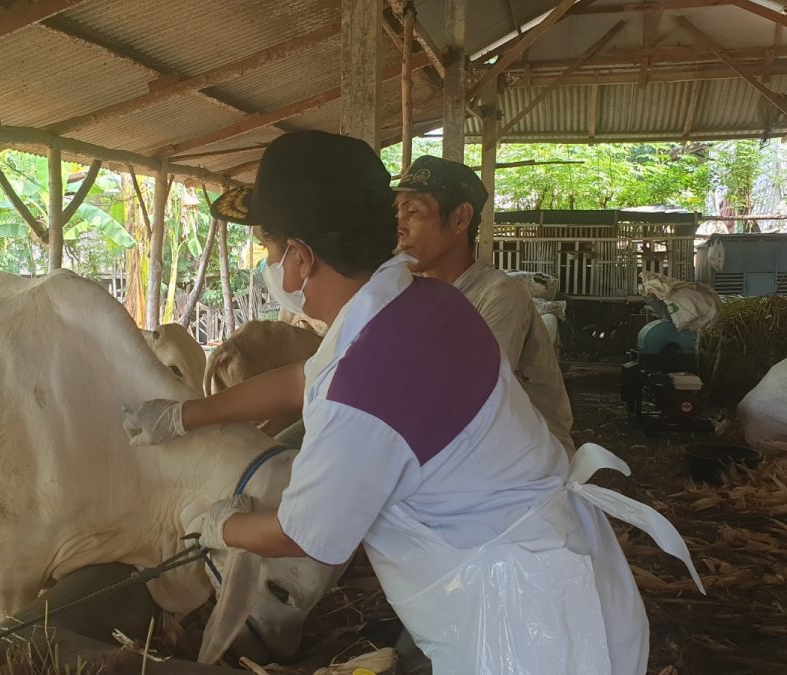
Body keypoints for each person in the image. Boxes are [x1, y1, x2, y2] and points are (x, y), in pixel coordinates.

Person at [123, 131, 702, 674]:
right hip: (562, 574)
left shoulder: (368, 381)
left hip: (523, 624)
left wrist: (219, 525)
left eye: (268, 246)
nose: (269, 262)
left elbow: (306, 534)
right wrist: (182, 414)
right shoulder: (419, 304)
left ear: (299, 257)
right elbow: (307, 377)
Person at [394, 155, 576, 454]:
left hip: (524, 460)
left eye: (412, 212)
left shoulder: (499, 294)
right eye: (397, 214)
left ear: (459, 219)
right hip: (453, 449)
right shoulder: (408, 293)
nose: (400, 227)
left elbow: (469, 401)